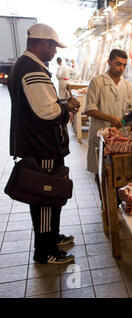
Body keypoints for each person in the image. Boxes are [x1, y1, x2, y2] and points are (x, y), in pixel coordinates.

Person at [7, 23, 80, 264]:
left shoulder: (26, 65)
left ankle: (51, 237)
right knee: (46, 197)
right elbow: (47, 112)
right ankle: (46, 251)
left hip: (37, 144)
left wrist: (59, 103)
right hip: (42, 147)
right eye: (53, 46)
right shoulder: (33, 69)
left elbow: (41, 104)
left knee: (48, 197)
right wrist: (66, 106)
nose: (54, 51)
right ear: (42, 44)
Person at [85, 49, 132, 178]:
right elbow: (90, 109)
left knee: (119, 173)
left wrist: (131, 119)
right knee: (101, 174)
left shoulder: (127, 86)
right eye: (118, 64)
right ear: (109, 62)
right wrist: (112, 119)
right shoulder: (97, 82)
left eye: (124, 65)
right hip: (100, 133)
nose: (121, 68)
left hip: (120, 136)